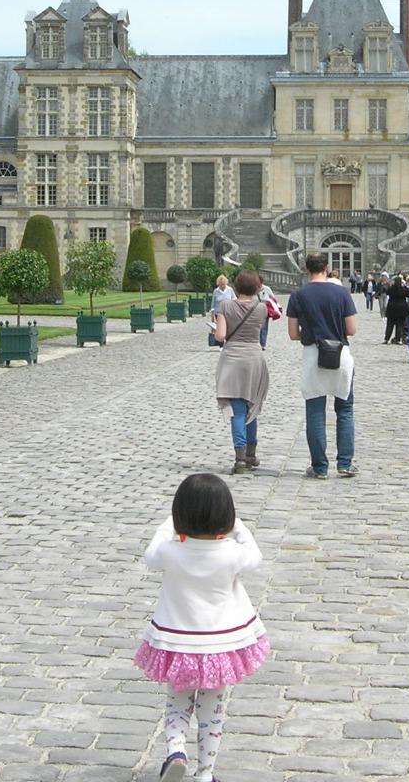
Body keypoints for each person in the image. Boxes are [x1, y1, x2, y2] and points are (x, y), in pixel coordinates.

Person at [135, 473, 269, 782]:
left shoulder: (171, 553)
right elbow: (256, 556)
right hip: (219, 647)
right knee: (213, 712)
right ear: (226, 515)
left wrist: (169, 524)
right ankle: (205, 774)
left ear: (180, 513)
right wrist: (238, 527)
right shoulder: (232, 554)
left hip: (177, 643)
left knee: (177, 704)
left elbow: (150, 553)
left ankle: (176, 751)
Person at [286, 252, 358, 478]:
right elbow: (351, 329)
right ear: (326, 268)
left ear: (307, 269)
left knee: (315, 412)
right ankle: (345, 463)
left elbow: (292, 334)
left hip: (312, 355)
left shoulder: (298, 295)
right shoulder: (341, 292)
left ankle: (319, 467)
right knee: (344, 410)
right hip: (340, 354)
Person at [213, 271, 269, 474]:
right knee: (252, 407)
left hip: (232, 358)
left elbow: (220, 336)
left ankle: (240, 458)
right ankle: (251, 454)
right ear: (256, 289)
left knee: (237, 410)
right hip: (254, 358)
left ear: (235, 287)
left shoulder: (226, 306)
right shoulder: (261, 308)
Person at [382, 273, 408, 344]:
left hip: (391, 308)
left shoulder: (391, 289)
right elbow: (408, 293)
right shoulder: (403, 289)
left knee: (390, 325)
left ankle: (386, 339)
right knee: (400, 325)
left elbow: (386, 291)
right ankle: (398, 339)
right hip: (401, 309)